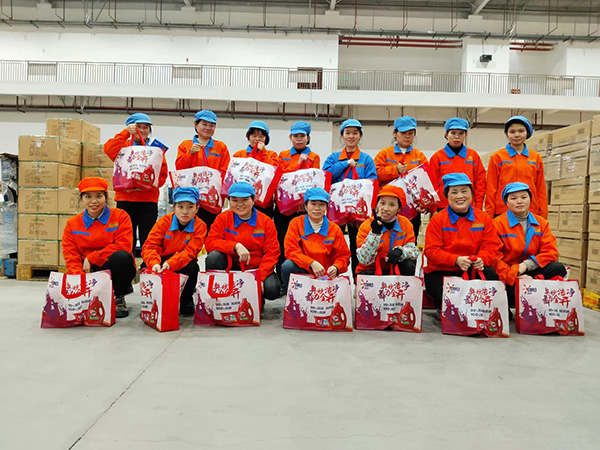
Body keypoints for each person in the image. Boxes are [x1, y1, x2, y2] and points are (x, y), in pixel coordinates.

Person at [424, 173, 501, 310]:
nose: (460, 196)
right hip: (442, 271)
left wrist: (481, 259)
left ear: (471, 194)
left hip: (473, 269)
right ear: (447, 196)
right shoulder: (437, 220)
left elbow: (491, 245)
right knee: (448, 301)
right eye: (454, 192)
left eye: (464, 191)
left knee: (492, 280)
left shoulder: (483, 218)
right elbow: (431, 251)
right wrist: (455, 260)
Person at [62, 177, 136, 318]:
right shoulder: (73, 223)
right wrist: (79, 282)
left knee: (122, 257)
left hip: (112, 266)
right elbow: (71, 254)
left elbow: (124, 245)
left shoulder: (120, 216)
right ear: (81, 199)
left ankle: (119, 296)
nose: (94, 201)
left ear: (106, 198)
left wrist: (92, 258)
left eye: (99, 196)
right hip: (88, 270)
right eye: (88, 196)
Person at [205, 182, 282, 304]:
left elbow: (272, 253)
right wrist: (235, 246)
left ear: (253, 200)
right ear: (229, 201)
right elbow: (210, 242)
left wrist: (259, 278)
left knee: (272, 289)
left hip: (256, 268)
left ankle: (256, 296)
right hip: (231, 267)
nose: (240, 204)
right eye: (234, 200)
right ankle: (220, 297)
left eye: (245, 200)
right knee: (213, 257)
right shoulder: (223, 218)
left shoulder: (266, 222)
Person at [103, 112, 169, 254]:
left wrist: (147, 186)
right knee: (126, 238)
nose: (142, 130)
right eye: (138, 127)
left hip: (148, 201)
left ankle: (148, 264)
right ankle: (128, 264)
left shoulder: (155, 148)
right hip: (125, 200)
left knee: (149, 238)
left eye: (146, 127)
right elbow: (108, 150)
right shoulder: (123, 146)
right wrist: (125, 133)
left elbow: (162, 173)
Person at [493, 182, 566, 307]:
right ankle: (520, 297)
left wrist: (526, 265)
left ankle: (535, 290)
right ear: (506, 202)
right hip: (508, 274)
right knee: (493, 275)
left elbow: (551, 252)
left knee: (558, 268)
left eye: (523, 197)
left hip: (532, 270)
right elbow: (494, 257)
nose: (519, 201)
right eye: (513, 198)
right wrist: (514, 275)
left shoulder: (541, 223)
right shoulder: (497, 224)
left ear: (530, 199)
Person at [141, 187, 208, 316]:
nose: (185, 211)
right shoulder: (163, 222)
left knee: (193, 268)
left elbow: (190, 251)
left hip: (182, 262)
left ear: (197, 208)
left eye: (190, 207)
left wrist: (171, 264)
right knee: (146, 266)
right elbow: (150, 245)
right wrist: (154, 263)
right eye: (180, 207)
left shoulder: (200, 226)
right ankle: (153, 300)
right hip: (161, 262)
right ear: (174, 207)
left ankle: (186, 300)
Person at [323, 119, 376, 277]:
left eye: (355, 133)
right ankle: (333, 280)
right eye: (347, 133)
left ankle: (358, 280)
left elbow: (371, 184)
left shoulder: (366, 160)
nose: (351, 136)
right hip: (337, 211)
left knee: (357, 247)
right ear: (342, 135)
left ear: (360, 136)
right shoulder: (333, 158)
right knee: (334, 246)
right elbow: (326, 176)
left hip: (358, 212)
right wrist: (345, 164)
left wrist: (360, 213)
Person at [281, 188, 351, 293]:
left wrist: (336, 267)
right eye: (313, 204)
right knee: (288, 265)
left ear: (326, 207)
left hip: (325, 276)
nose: (317, 208)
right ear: (305, 206)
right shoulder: (296, 224)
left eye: (321, 205)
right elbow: (291, 251)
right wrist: (311, 263)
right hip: (303, 271)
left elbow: (343, 256)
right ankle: (293, 296)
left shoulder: (334, 229)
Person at [274, 121, 320, 279]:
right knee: (282, 243)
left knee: (302, 243)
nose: (299, 139)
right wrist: (299, 164)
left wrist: (305, 204)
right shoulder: (283, 155)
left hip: (303, 208)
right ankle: (282, 279)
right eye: (295, 136)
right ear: (290, 137)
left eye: (302, 136)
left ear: (308, 138)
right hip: (284, 208)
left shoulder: (314, 157)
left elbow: (314, 181)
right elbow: (281, 177)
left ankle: (303, 277)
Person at [374, 116, 429, 240]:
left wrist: (423, 204)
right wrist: (395, 170)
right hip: (386, 209)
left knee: (410, 240)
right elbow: (375, 174)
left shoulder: (419, 156)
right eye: (403, 133)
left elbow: (425, 183)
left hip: (412, 210)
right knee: (383, 240)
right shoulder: (384, 154)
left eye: (411, 133)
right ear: (395, 133)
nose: (407, 136)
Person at [175, 110, 230, 229]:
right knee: (190, 230)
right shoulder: (186, 145)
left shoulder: (221, 147)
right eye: (204, 124)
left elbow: (225, 171)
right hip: (189, 198)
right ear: (196, 125)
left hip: (211, 199)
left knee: (211, 229)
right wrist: (190, 153)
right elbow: (179, 169)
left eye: (212, 125)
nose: (208, 128)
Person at [485, 116, 548, 218]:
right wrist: (489, 216)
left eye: (521, 131)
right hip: (503, 211)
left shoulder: (535, 158)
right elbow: (491, 189)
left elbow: (541, 189)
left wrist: (543, 216)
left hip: (531, 211)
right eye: (512, 132)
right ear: (507, 134)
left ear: (527, 133)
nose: (516, 135)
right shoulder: (497, 157)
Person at [356, 185, 420, 276]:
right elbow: (364, 260)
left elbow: (414, 251)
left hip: (394, 268)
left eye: (392, 205)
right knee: (367, 274)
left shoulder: (405, 224)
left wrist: (400, 251)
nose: (386, 208)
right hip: (371, 270)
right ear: (376, 204)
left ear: (399, 208)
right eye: (382, 203)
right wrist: (374, 234)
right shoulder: (366, 226)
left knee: (408, 266)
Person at [428, 118, 486, 211]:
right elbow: (431, 185)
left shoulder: (473, 156)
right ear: (446, 135)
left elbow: (480, 183)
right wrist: (433, 209)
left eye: (461, 133)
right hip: (443, 206)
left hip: (467, 206)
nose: (457, 137)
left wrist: (478, 206)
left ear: (466, 135)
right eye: (453, 133)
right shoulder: (437, 157)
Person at [232, 120, 279, 217]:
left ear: (266, 139)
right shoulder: (239, 154)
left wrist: (263, 152)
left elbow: (274, 174)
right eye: (254, 135)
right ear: (248, 137)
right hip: (242, 201)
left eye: (261, 136)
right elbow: (233, 175)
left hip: (264, 203)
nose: (257, 139)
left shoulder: (272, 155)